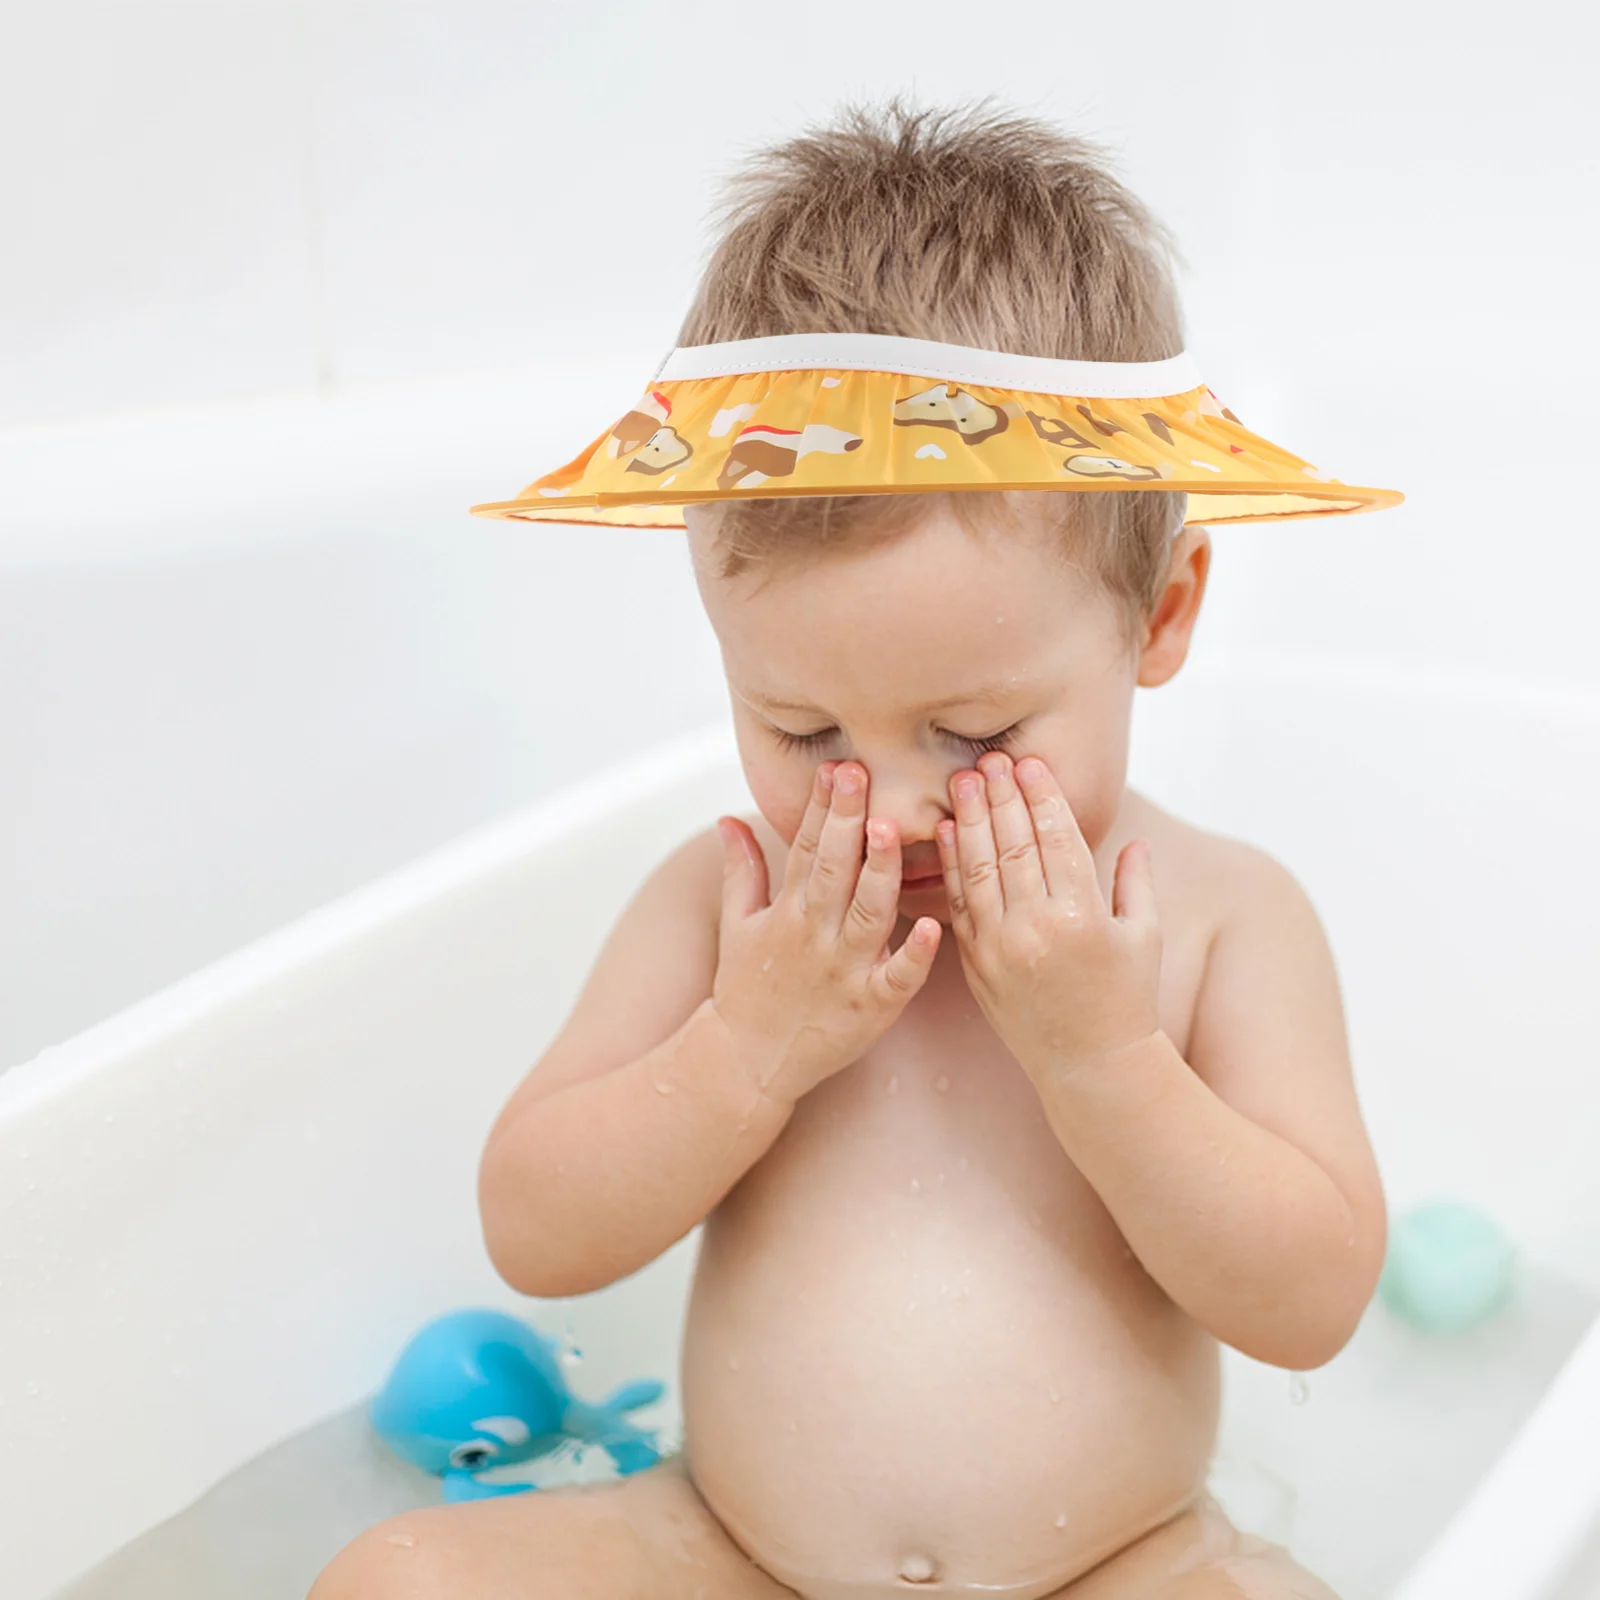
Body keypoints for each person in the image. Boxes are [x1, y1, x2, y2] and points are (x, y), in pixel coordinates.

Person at [312, 96, 1387, 1599]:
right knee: (397, 1576)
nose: (881, 806)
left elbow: (1312, 1302)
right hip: (723, 1550)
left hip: (1121, 1567)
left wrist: (1104, 1059)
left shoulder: (1216, 923)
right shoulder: (729, 909)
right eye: (804, 730)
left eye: (976, 732)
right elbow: (535, 1232)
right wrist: (749, 1046)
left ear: (1161, 615)